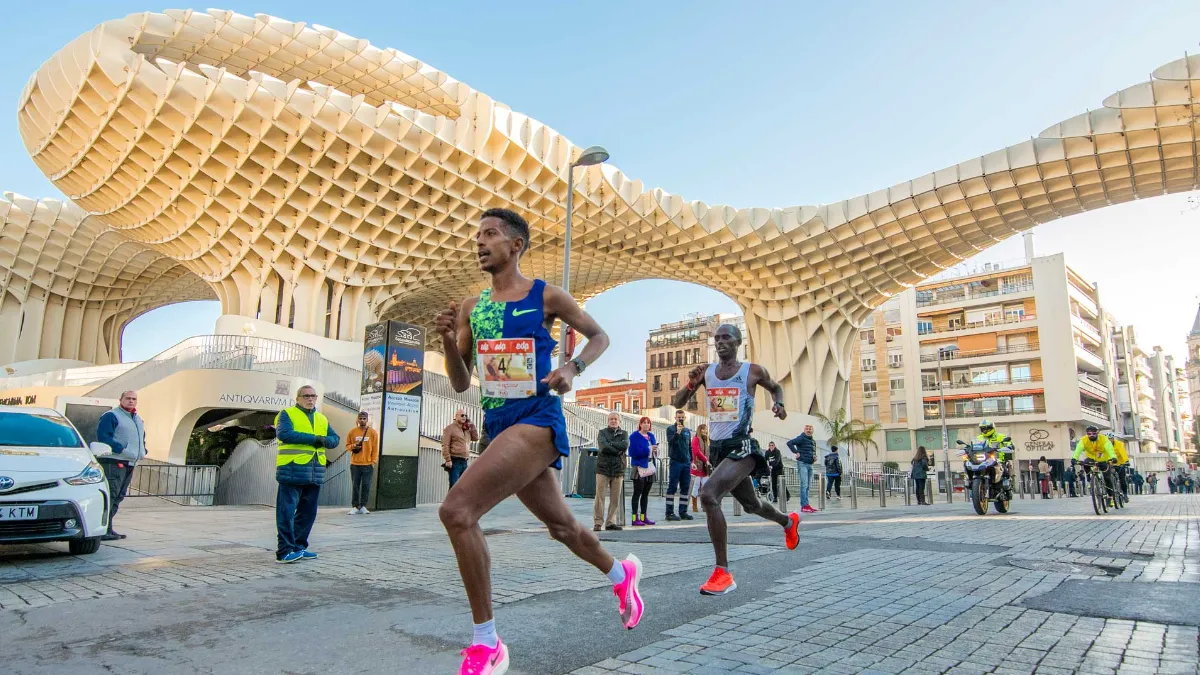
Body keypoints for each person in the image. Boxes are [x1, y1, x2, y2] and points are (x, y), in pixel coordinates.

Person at [434, 208, 644, 672]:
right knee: (562, 528)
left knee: (457, 511)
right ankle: (621, 574)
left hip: (538, 420)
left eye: (490, 234)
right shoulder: (473, 307)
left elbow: (599, 335)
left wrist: (572, 368)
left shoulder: (545, 295)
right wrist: (450, 343)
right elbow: (461, 383)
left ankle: (487, 642)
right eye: (478, 235)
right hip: (498, 425)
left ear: (516, 246)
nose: (480, 242)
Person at [672, 323, 800, 596]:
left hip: (743, 447)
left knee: (708, 495)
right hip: (718, 450)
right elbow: (677, 404)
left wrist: (780, 404)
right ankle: (788, 522)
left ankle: (723, 572)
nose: (720, 342)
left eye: (726, 337)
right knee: (752, 505)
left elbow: (776, 388)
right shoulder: (707, 372)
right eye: (716, 338)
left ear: (737, 342)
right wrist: (691, 383)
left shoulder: (752, 371)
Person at [274, 385, 339, 563]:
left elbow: (335, 440)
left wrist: (323, 440)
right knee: (286, 512)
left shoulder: (321, 418)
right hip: (292, 469)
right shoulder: (287, 414)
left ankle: (299, 547)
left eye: (313, 396)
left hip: (315, 472)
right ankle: (284, 551)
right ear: (298, 398)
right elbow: (285, 434)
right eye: (306, 396)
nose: (310, 399)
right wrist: (317, 440)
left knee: (308, 513)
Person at [95, 390, 147, 541]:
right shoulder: (111, 415)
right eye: (128, 398)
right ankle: (101, 528)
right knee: (111, 494)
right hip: (115, 461)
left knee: (119, 496)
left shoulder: (137, 418)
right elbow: (103, 436)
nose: (131, 401)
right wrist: (122, 449)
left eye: (134, 399)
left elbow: (141, 438)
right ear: (121, 399)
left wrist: (143, 450)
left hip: (130, 461)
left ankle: (107, 528)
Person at [594, 412, 628, 532]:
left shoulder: (624, 433)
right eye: (611, 419)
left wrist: (611, 444)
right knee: (600, 497)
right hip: (603, 469)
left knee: (615, 498)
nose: (613, 421)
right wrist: (616, 448)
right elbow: (603, 447)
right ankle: (598, 522)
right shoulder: (602, 432)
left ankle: (610, 522)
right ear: (608, 421)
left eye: (615, 419)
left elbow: (624, 445)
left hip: (618, 469)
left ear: (619, 421)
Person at [345, 410, 379, 515]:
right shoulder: (352, 432)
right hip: (355, 464)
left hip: (368, 464)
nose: (362, 420)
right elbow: (347, 446)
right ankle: (355, 506)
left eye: (364, 418)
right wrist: (353, 446)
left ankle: (363, 505)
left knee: (366, 485)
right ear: (357, 419)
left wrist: (373, 461)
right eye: (360, 418)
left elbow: (375, 448)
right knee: (355, 486)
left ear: (367, 420)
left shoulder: (373, 432)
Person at [1072, 425, 1118, 503]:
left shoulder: (1104, 439)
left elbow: (1109, 449)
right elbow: (1078, 449)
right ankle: (1090, 480)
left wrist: (1113, 457)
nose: (1091, 435)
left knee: (1107, 478)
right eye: (1089, 434)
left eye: (1093, 433)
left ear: (1097, 433)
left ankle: (1110, 497)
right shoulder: (1084, 440)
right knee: (1085, 463)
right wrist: (1074, 458)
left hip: (1103, 459)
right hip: (1091, 459)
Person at [665, 409, 695, 521]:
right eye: (679, 417)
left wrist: (691, 461)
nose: (681, 419)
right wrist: (677, 432)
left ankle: (683, 512)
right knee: (672, 487)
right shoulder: (670, 429)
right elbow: (671, 443)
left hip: (686, 463)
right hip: (675, 462)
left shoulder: (687, 431)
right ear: (675, 418)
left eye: (682, 417)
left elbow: (689, 447)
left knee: (685, 488)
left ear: (685, 418)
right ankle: (669, 513)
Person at [628, 417, 658, 526]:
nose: (646, 425)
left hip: (649, 467)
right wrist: (649, 449)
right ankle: (634, 518)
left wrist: (655, 450)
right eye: (644, 423)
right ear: (640, 424)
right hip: (639, 467)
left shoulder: (651, 436)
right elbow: (633, 452)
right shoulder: (634, 436)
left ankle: (643, 516)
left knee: (645, 494)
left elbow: (654, 450)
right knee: (637, 493)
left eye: (648, 423)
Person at [442, 409, 479, 489]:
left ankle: (459, 502)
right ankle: (451, 501)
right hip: (455, 461)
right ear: (456, 416)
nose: (464, 417)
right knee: (454, 487)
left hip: (464, 461)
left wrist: (472, 426)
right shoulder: (449, 428)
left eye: (465, 415)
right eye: (462, 415)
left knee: (463, 487)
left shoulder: (466, 429)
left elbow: (475, 438)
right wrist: (448, 460)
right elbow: (445, 445)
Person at [787, 425, 818, 513]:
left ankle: (807, 505)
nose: (808, 430)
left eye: (810, 429)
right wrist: (796, 452)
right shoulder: (801, 438)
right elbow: (789, 443)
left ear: (812, 430)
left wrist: (814, 457)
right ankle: (804, 506)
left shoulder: (813, 441)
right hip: (802, 463)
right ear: (804, 430)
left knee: (808, 486)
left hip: (810, 464)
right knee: (804, 485)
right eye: (806, 429)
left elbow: (812, 451)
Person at [689, 424, 712, 514]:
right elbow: (696, 451)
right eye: (703, 429)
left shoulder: (706, 440)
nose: (704, 431)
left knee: (706, 486)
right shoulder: (696, 439)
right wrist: (705, 460)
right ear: (699, 430)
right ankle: (694, 505)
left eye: (706, 429)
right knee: (696, 486)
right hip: (697, 466)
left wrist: (707, 461)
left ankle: (704, 505)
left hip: (704, 467)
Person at [1107, 433, 1130, 499]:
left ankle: (1125, 494)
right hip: (1110, 464)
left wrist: (1126, 461)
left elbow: (1123, 452)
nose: (1109, 440)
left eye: (1110, 439)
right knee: (1108, 478)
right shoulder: (1105, 445)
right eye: (1108, 439)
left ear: (1113, 438)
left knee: (1122, 479)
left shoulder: (1119, 444)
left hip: (1120, 463)